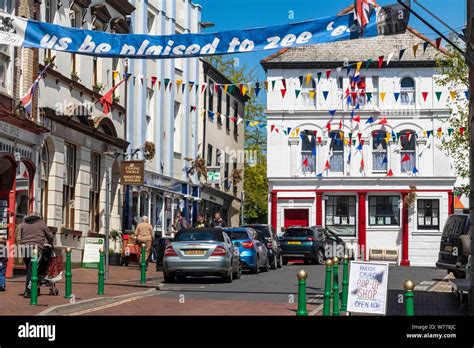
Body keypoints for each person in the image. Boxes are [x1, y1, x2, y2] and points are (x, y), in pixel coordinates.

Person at [19, 213, 54, 298]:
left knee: (29, 269)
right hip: (36, 249)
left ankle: (31, 288)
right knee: (33, 269)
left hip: (25, 248)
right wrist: (51, 242)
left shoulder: (23, 224)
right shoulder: (42, 223)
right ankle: (28, 290)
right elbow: (49, 236)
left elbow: (20, 236)